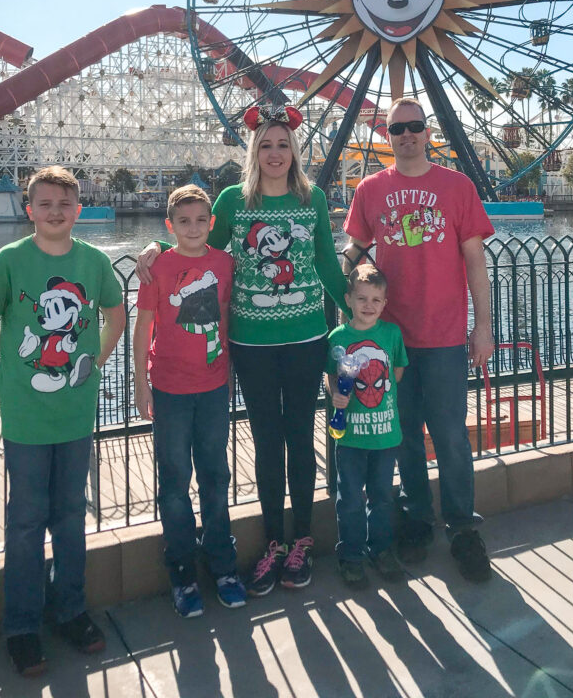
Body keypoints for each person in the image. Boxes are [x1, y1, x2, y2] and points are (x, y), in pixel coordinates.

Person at [137, 104, 348, 595]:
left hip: (306, 337)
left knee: (301, 437)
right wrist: (154, 249)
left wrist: (362, 319)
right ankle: (273, 540)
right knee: (266, 438)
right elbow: (195, 248)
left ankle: (301, 541)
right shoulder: (233, 199)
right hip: (250, 342)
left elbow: (325, 263)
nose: (275, 153)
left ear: (294, 150)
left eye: (283, 144)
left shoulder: (311, 198)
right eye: (266, 145)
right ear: (255, 150)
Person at [0, 166, 126, 677]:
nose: (56, 211)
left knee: (70, 517)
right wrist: (18, 355)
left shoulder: (95, 261)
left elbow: (115, 314)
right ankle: (21, 625)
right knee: (26, 521)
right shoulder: (10, 262)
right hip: (26, 417)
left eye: (65, 203)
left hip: (76, 413)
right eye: (46, 203)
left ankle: (70, 611)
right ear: (29, 209)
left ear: (78, 209)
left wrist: (96, 361)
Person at [342, 97, 495, 582]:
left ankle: (463, 528)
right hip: (388, 339)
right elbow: (353, 251)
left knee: (450, 434)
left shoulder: (457, 186)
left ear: (428, 132)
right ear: (387, 137)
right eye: (396, 128)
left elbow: (475, 261)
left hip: (445, 333)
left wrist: (484, 325)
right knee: (403, 433)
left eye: (413, 126)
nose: (405, 135)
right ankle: (417, 520)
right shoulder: (370, 190)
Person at [132, 184, 246, 618]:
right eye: (184, 221)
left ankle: (224, 566)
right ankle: (181, 571)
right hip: (170, 387)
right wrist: (140, 384)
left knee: (216, 476)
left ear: (212, 224)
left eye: (201, 220)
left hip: (215, 386)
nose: (194, 228)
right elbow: (143, 329)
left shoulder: (226, 263)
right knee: (175, 483)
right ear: (170, 226)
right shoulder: (158, 267)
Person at [326, 264, 408, 588]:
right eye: (362, 298)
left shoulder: (391, 334)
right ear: (348, 300)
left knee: (382, 497)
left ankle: (381, 549)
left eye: (376, 299)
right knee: (349, 498)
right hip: (350, 438)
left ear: (384, 303)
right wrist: (336, 394)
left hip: (386, 436)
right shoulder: (338, 338)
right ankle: (351, 555)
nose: (368, 305)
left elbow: (397, 372)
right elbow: (331, 375)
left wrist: (376, 383)